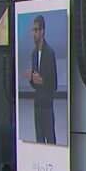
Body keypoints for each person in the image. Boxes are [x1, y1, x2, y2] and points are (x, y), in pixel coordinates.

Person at [27, 14, 58, 144]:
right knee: (39, 140)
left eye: (36, 30)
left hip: (47, 106)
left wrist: (42, 81)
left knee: (50, 139)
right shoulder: (33, 53)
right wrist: (31, 79)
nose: (33, 34)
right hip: (37, 105)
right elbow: (34, 85)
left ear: (42, 31)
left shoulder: (50, 53)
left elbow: (54, 85)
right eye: (32, 30)